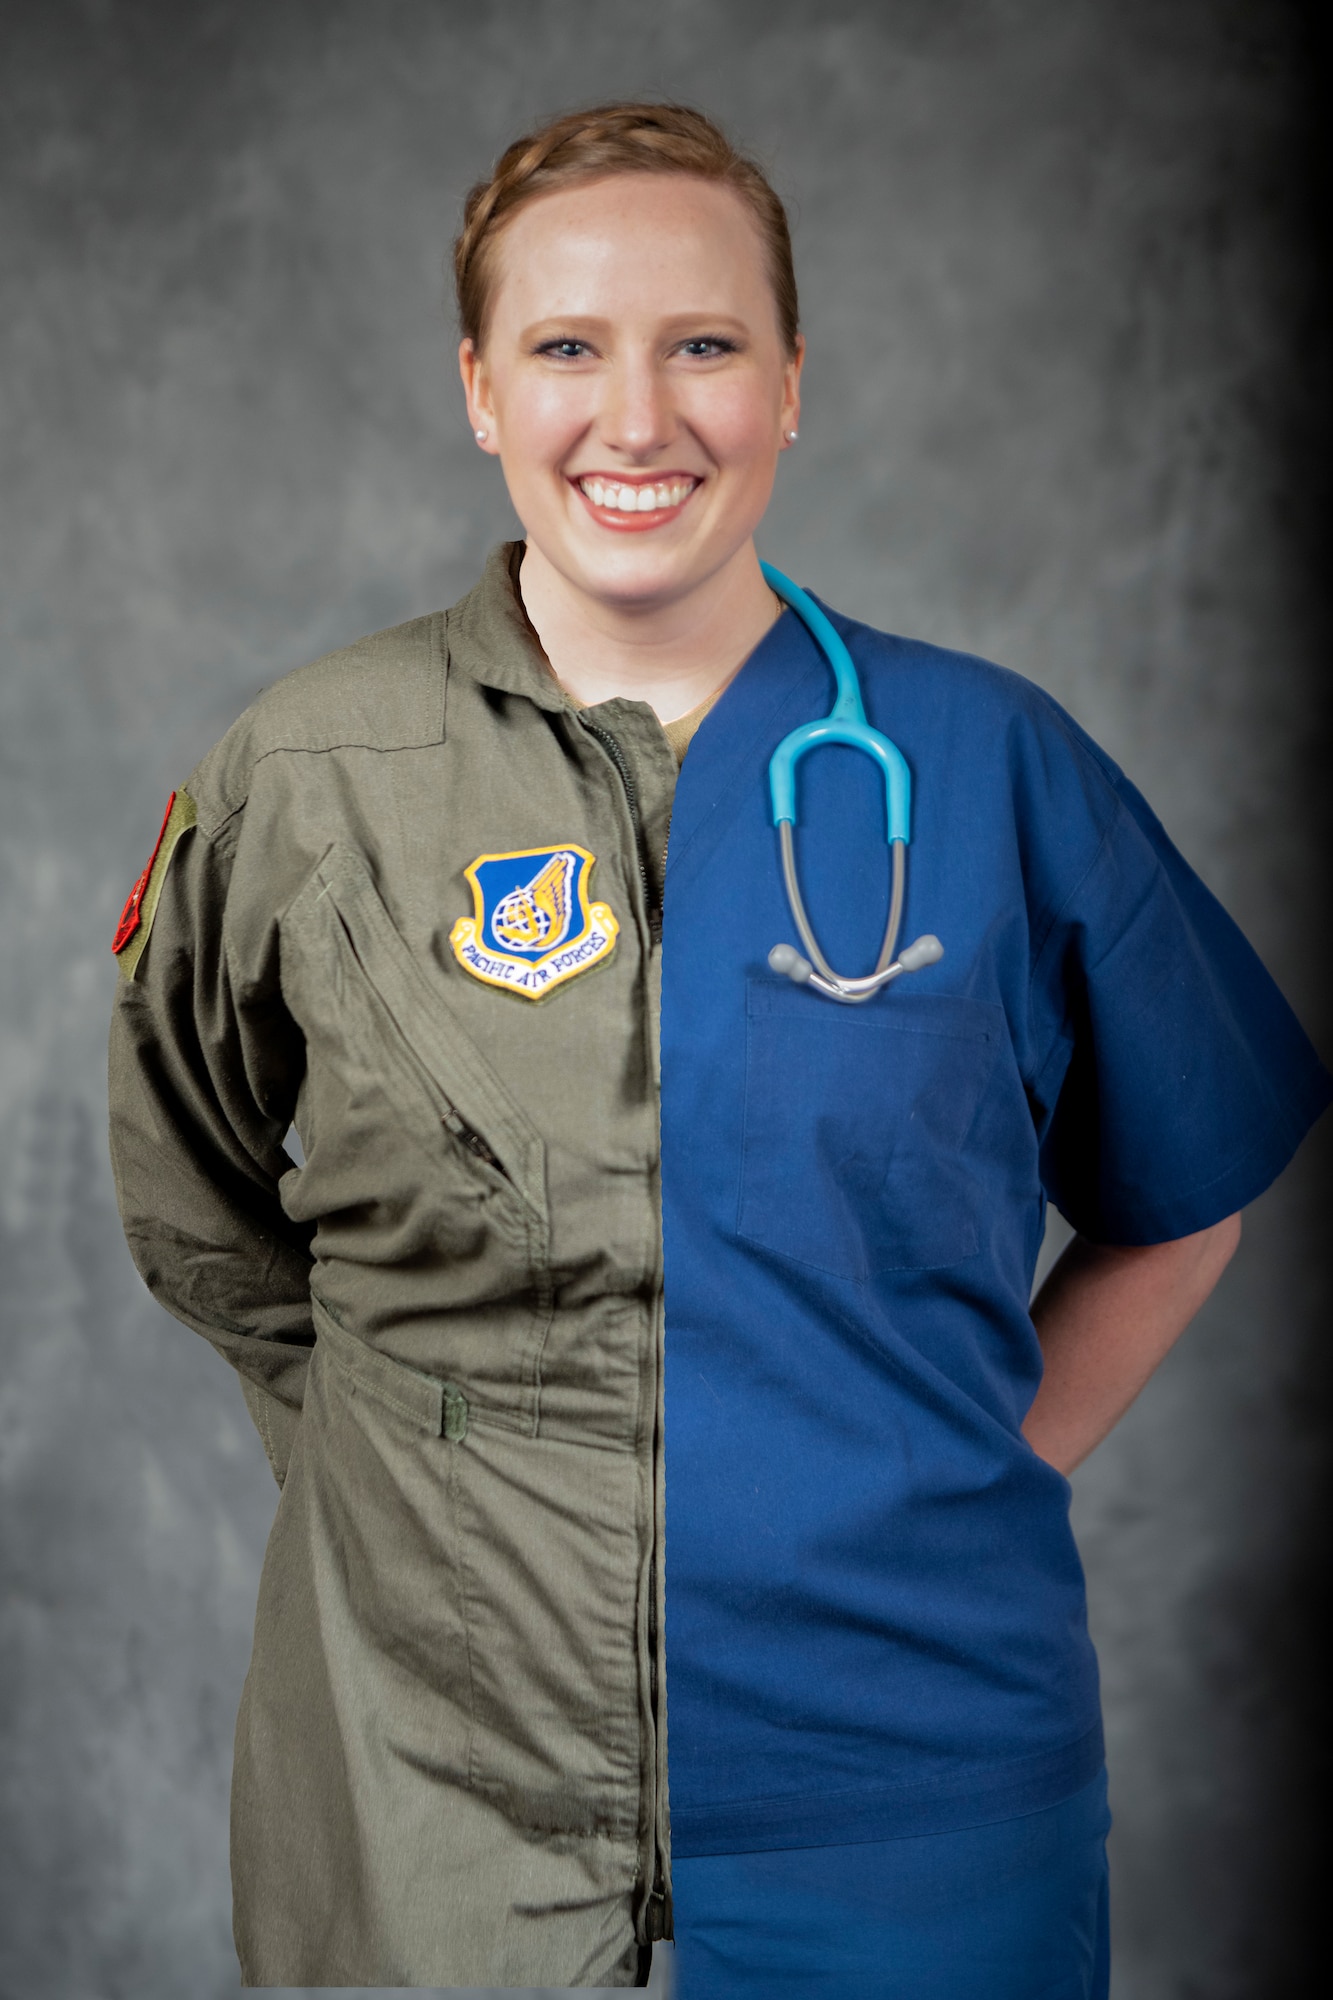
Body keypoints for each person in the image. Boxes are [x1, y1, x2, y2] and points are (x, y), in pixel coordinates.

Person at [107, 102, 1330, 1996]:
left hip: (907, 1770)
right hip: (425, 1776)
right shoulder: (309, 774)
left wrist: (953, 1475)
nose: (638, 417)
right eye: (567, 348)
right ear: (476, 390)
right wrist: (401, 1475)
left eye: (703, 345)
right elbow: (196, 1199)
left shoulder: (989, 767)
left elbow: (1185, 1194)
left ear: (789, 383)